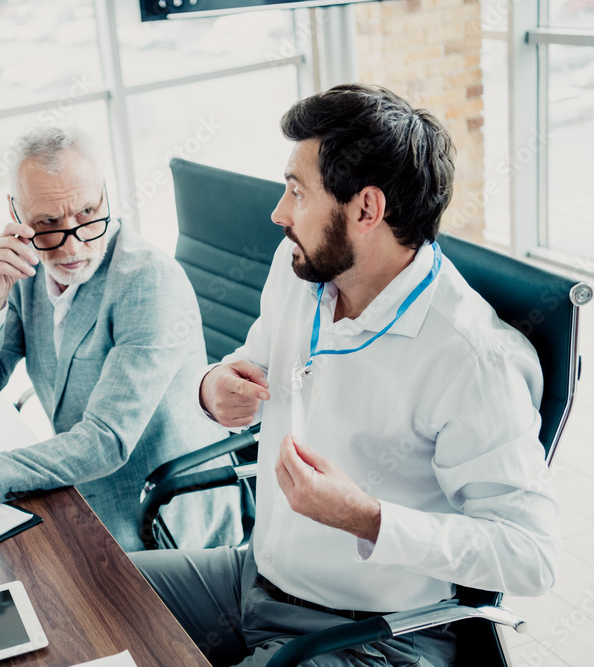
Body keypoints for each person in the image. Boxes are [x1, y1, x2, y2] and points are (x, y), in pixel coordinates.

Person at [130, 84, 559, 665]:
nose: (279, 213)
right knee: (90, 585)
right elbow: (249, 362)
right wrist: (215, 387)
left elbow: (531, 554)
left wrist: (367, 519)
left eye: (296, 192)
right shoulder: (299, 269)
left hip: (373, 637)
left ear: (365, 210)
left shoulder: (473, 359)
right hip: (252, 578)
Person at [0, 126, 240, 552]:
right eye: (47, 223)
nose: (72, 247)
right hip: (78, 489)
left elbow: (105, 442)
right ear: (15, 213)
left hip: (160, 519)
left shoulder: (147, 281)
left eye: (87, 212)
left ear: (105, 194)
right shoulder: (26, 271)